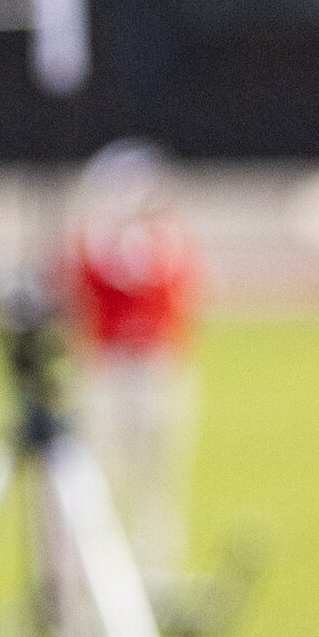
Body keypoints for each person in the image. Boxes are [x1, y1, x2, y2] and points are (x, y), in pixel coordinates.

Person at [62, 138, 201, 596]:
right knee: (97, 477)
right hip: (108, 368)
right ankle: (90, 576)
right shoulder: (97, 243)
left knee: (156, 480)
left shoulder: (167, 242)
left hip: (156, 366)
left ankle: (155, 575)